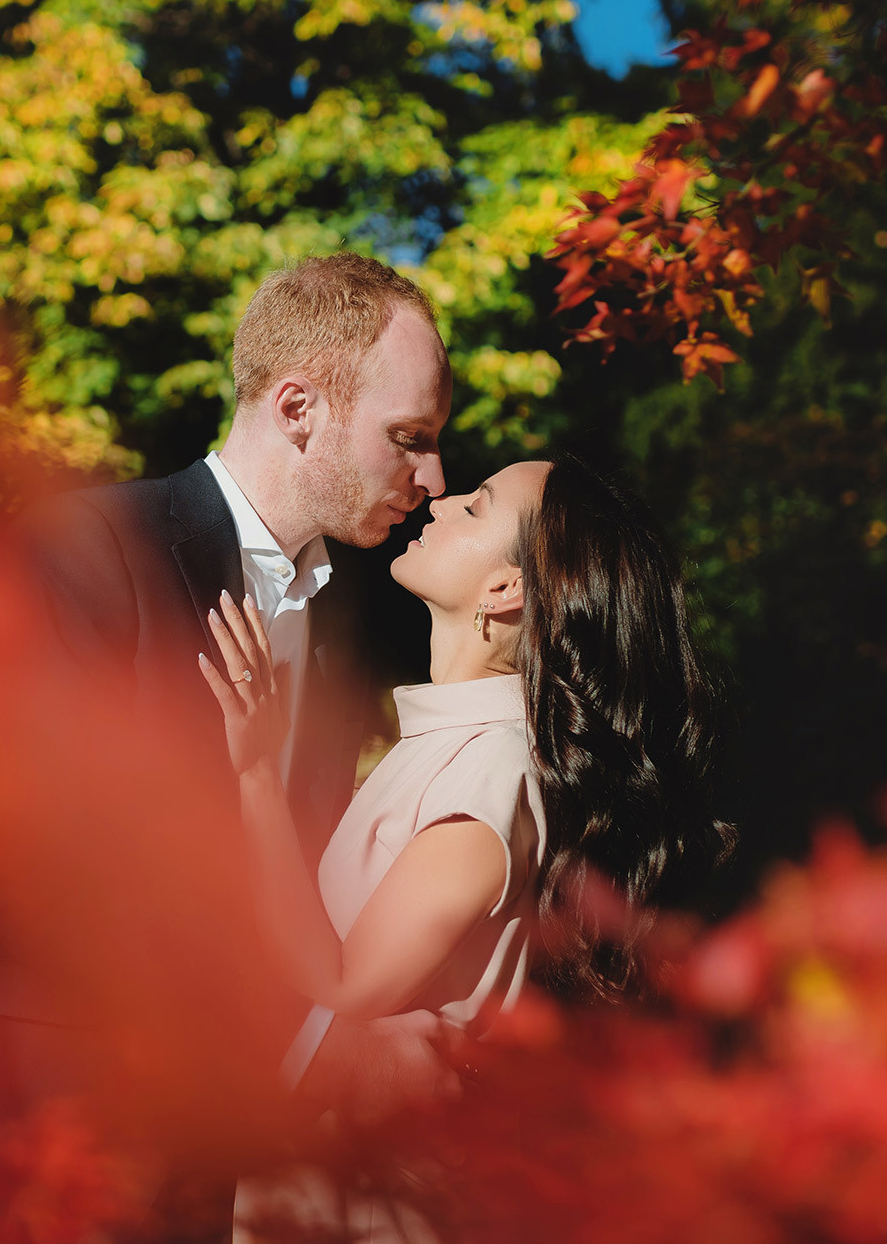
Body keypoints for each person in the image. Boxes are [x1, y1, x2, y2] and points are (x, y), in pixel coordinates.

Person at [0, 253, 460, 1229]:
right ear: (298, 409)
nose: (431, 478)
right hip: (16, 1108)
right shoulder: (89, 545)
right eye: (408, 438)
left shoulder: (343, 622)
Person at [201, 454, 732, 1243]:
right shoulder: (459, 750)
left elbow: (342, 981)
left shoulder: (488, 774)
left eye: (477, 508)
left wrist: (252, 771)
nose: (442, 501)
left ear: (504, 589)